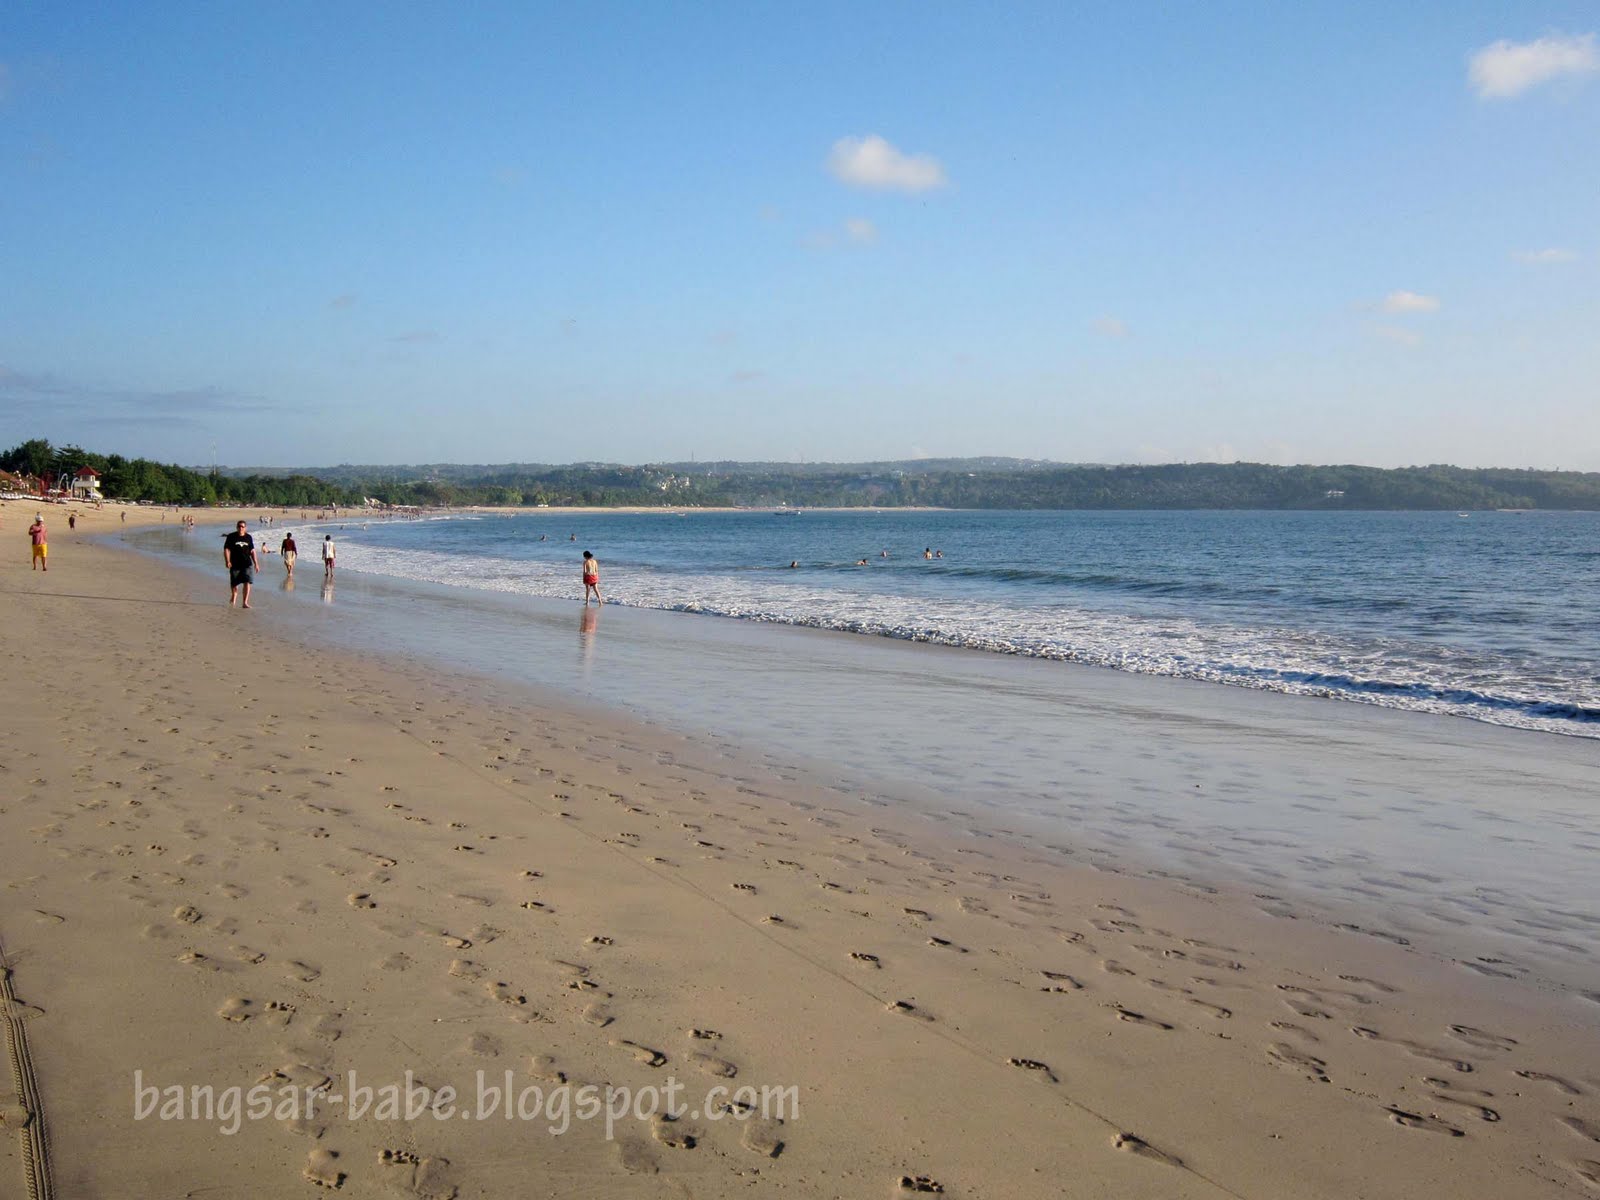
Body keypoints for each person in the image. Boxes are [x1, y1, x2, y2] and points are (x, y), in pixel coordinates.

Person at [222, 520, 259, 608]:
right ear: (236, 527)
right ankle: (234, 594)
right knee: (234, 583)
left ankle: (245, 602)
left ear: (245, 528)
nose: (241, 528)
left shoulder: (248, 537)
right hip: (235, 564)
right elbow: (226, 549)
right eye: (239, 526)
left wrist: (256, 563)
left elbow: (252, 551)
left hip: (247, 563)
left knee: (247, 581)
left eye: (242, 526)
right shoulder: (231, 536)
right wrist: (227, 561)